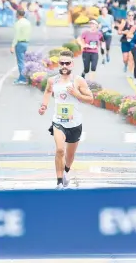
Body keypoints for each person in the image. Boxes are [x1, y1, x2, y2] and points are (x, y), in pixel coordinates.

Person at [38, 50, 94, 189]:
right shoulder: (53, 80)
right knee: (60, 150)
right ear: (58, 64)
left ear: (72, 64)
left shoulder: (78, 81)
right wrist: (44, 106)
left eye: (67, 63)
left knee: (70, 154)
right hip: (58, 122)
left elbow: (91, 99)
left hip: (75, 123)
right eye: (61, 63)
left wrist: (77, 94)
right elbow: (47, 91)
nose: (64, 66)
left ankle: (66, 172)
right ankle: (58, 182)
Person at [11, 9, 31, 84]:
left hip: (19, 43)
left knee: (20, 62)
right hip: (26, 42)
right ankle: (22, 77)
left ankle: (22, 78)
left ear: (18, 14)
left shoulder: (18, 23)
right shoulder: (28, 22)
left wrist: (12, 46)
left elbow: (16, 35)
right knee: (23, 61)